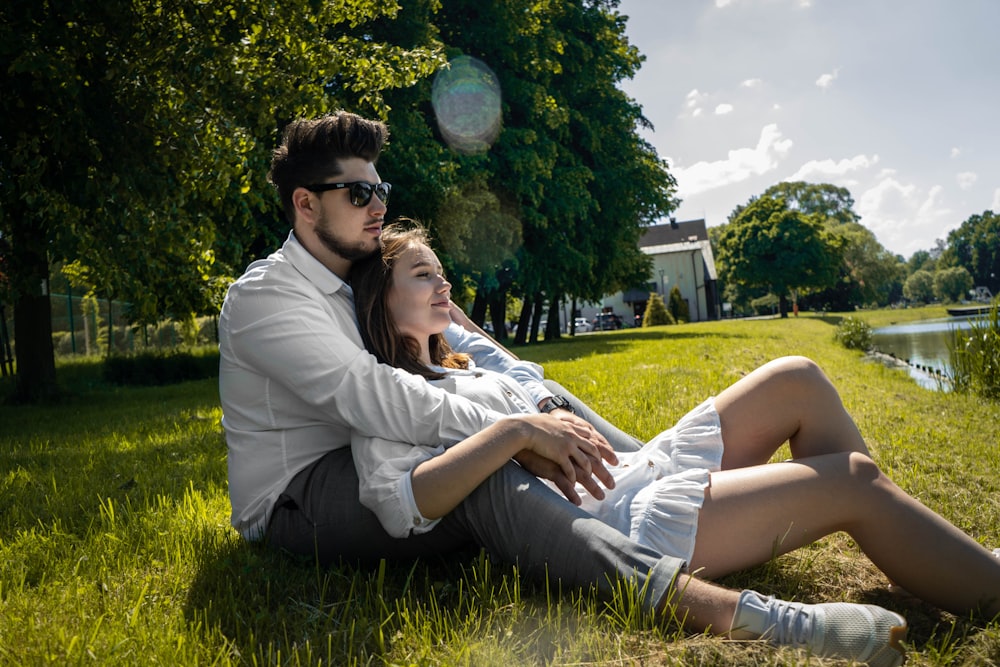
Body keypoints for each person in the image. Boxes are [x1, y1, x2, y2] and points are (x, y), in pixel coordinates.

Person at [215, 111, 948, 667]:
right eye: (358, 191)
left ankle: (649, 482)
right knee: (486, 463)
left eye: (382, 188)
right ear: (305, 206)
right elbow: (373, 397)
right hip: (299, 489)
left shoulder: (363, 270)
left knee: (534, 417)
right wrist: (519, 431)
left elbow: (469, 341)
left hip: (391, 435)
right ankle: (740, 611)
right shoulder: (268, 298)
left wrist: (564, 420)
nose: (377, 204)